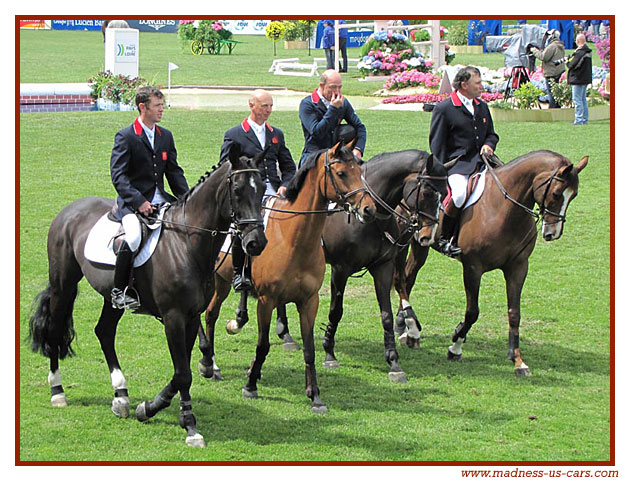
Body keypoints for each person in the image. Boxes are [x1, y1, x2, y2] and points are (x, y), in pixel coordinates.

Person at [110, 86, 189, 308]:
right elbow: (118, 176)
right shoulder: (126, 136)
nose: (162, 110)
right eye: (157, 106)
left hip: (161, 199)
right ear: (143, 107)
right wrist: (139, 202)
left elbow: (173, 172)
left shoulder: (165, 136)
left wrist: (187, 198)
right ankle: (119, 290)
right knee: (133, 236)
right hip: (133, 203)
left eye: (162, 105)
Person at [219, 89, 297, 291]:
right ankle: (239, 272)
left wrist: (285, 184)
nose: (268, 110)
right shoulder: (234, 134)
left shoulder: (276, 134)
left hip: (273, 190)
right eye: (264, 106)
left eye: (271, 106)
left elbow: (288, 166)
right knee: (243, 226)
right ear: (251, 105)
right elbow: (225, 167)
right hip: (249, 194)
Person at [429, 66, 499, 258]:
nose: (481, 87)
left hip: (483, 161)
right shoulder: (444, 109)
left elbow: (492, 134)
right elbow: (437, 145)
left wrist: (488, 145)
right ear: (464, 84)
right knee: (459, 195)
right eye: (478, 83)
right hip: (457, 166)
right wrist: (444, 170)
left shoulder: (482, 106)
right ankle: (445, 238)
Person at [298, 69, 367, 167]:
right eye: (333, 87)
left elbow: (360, 127)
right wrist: (333, 109)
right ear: (322, 85)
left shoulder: (343, 103)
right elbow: (317, 133)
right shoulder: (308, 104)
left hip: (337, 153)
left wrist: (358, 149)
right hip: (314, 153)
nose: (337, 91)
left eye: (339, 87)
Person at [530, 30, 566, 109]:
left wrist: (534, 50)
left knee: (552, 94)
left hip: (551, 72)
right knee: (556, 93)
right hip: (557, 71)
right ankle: (557, 108)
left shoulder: (552, 46)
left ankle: (552, 109)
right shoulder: (559, 45)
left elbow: (543, 57)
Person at [567, 33, 592, 125]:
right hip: (585, 78)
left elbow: (572, 65)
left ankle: (578, 119)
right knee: (583, 99)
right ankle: (584, 119)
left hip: (578, 78)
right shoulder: (588, 51)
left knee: (577, 100)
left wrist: (567, 62)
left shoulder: (580, 53)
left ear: (578, 41)